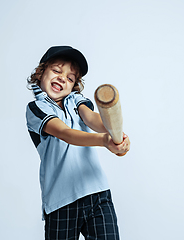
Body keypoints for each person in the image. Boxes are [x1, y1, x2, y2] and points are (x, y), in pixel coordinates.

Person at [26, 46, 130, 240]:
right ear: (41, 73)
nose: (62, 78)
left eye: (70, 78)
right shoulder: (36, 108)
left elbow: (92, 119)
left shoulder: (76, 101)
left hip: (97, 191)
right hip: (60, 201)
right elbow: (65, 133)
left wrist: (115, 132)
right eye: (57, 71)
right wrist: (104, 140)